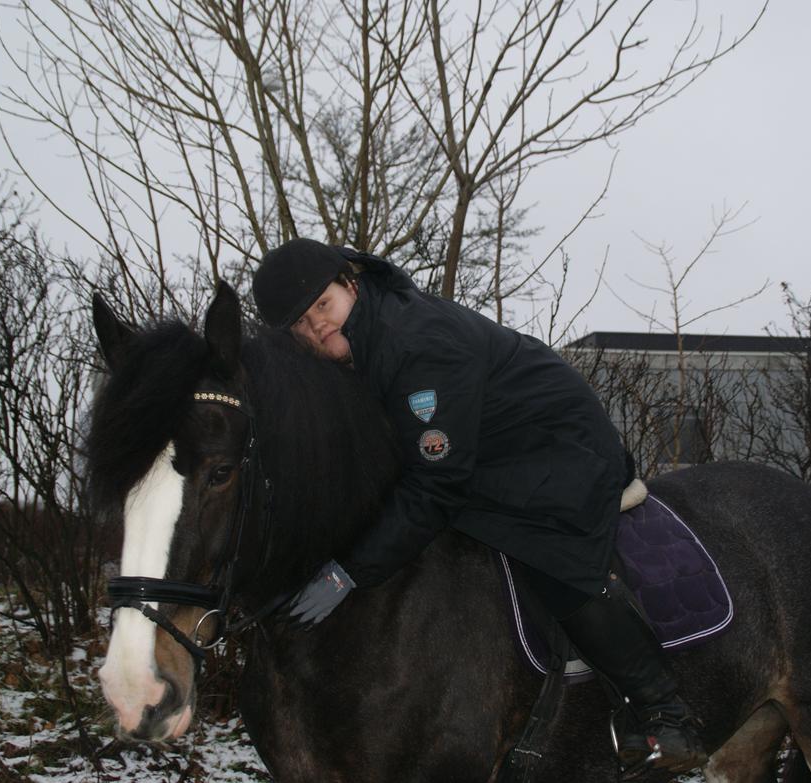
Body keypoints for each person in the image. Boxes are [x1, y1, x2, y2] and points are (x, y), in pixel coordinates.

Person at [251, 237, 706, 774]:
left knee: (547, 554)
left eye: (322, 306)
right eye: (301, 324)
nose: (317, 327)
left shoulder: (416, 345)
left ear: (351, 284)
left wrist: (351, 571)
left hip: (555, 448)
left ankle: (662, 712)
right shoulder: (351, 347)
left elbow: (436, 485)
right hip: (488, 449)